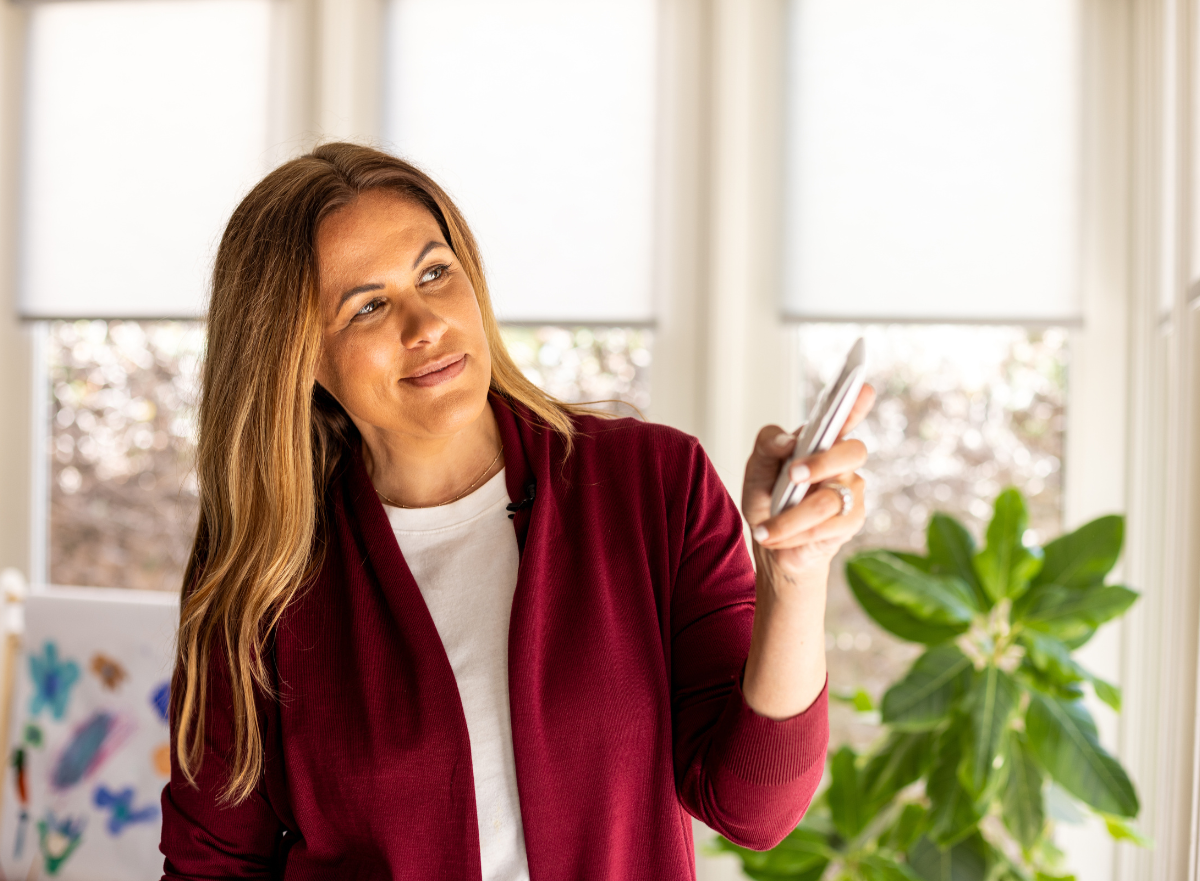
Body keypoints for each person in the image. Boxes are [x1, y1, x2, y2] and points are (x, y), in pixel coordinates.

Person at [159, 143, 873, 880]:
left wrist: (794, 576)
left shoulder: (652, 483)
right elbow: (212, 865)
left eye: (435, 272)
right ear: (296, 353)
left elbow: (754, 810)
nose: (426, 323)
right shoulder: (262, 571)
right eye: (368, 306)